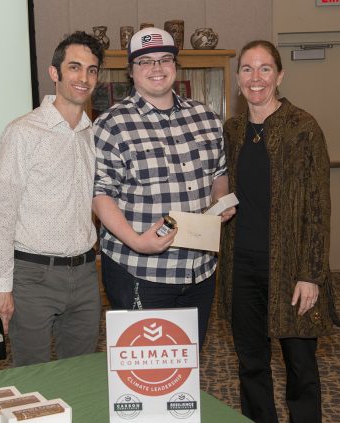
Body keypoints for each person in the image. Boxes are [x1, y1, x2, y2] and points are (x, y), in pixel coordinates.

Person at [218, 40, 340, 423]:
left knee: (300, 367)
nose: (256, 78)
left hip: (291, 270)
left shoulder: (302, 128)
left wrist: (311, 274)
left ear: (280, 75)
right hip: (241, 268)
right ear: (237, 79)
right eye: (248, 69)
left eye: (265, 68)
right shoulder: (232, 131)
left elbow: (319, 207)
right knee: (251, 365)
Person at [92, 27, 234, 346]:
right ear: (131, 71)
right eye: (145, 61)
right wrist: (137, 242)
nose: (157, 68)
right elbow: (100, 196)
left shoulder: (207, 118)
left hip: (199, 270)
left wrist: (221, 200)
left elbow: (219, 174)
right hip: (141, 270)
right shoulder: (111, 125)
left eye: (164, 59)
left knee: (185, 365)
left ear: (175, 65)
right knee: (143, 372)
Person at [0, 31, 104, 367]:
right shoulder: (23, 132)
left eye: (92, 70)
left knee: (81, 375)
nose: (83, 78)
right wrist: (2, 287)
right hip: (32, 276)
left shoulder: (92, 135)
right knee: (33, 377)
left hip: (83, 276)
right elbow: (1, 215)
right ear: (55, 73)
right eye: (75, 67)